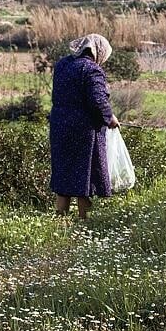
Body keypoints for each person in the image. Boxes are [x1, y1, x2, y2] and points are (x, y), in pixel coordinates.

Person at [49, 34, 119, 219]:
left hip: (59, 125)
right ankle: (83, 222)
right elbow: (97, 101)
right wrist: (109, 118)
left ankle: (60, 219)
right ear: (99, 51)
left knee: (64, 173)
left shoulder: (62, 65)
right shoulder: (91, 69)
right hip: (83, 130)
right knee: (84, 178)